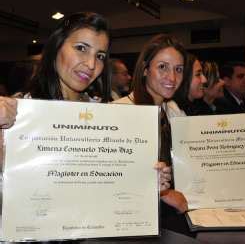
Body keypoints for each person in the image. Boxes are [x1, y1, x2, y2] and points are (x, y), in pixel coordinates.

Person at [0, 11, 171, 189]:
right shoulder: (17, 113)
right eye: (81, 48)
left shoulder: (106, 115)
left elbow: (106, 181)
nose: (91, 64)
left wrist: (144, 181)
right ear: (56, 47)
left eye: (100, 56)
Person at [113, 34, 191, 236]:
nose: (172, 78)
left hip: (172, 207)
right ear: (145, 69)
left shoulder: (172, 110)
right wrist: (163, 193)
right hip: (133, 217)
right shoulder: (118, 112)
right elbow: (110, 175)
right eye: (163, 67)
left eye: (179, 69)